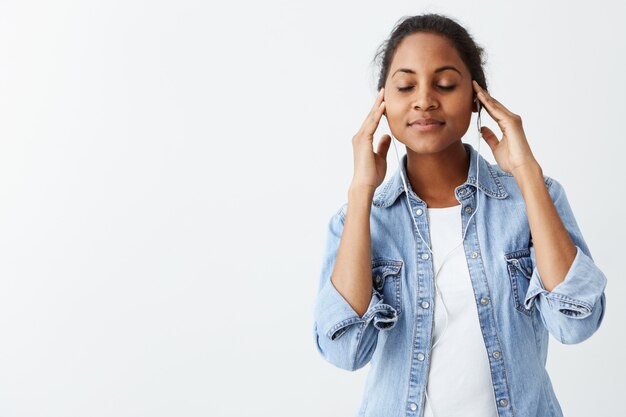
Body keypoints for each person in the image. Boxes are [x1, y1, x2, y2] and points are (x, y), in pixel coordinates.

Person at [312, 13, 607, 417]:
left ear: (475, 96)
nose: (424, 99)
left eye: (446, 83)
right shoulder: (358, 219)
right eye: (405, 85)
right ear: (384, 102)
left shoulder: (533, 198)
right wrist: (362, 191)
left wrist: (526, 172)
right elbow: (344, 351)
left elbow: (576, 323)